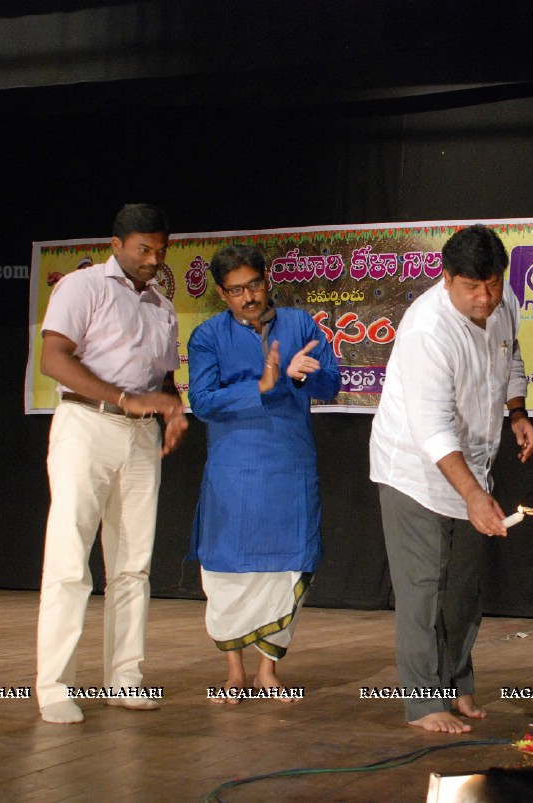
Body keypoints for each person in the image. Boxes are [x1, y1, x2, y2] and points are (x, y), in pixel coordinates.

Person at [369, 224, 533, 733]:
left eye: (492, 283)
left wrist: (517, 412)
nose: (484, 297)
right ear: (446, 279)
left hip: (473, 468)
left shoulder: (500, 302)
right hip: (415, 472)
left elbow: (510, 358)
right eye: (471, 287)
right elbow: (433, 429)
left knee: (464, 589)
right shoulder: (427, 330)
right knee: (423, 588)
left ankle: (457, 686)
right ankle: (424, 703)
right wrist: (474, 495)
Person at [35, 204, 188, 724]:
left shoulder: (162, 305)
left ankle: (125, 677)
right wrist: (126, 399)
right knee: (70, 558)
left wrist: (171, 408)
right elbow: (53, 357)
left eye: (160, 250)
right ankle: (54, 686)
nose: (153, 258)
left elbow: (163, 380)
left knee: (133, 565)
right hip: (87, 426)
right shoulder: (83, 288)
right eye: (144, 249)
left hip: (141, 437)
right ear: (117, 244)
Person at [187, 244, 339, 701]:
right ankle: (234, 672)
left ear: (267, 280)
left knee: (286, 565)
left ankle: (267, 672)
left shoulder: (301, 325)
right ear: (221, 293)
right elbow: (204, 401)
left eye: (254, 284)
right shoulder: (207, 336)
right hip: (234, 466)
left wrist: (295, 377)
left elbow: (330, 381)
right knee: (228, 568)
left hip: (289, 464)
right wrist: (263, 385)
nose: (247, 296)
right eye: (235, 290)